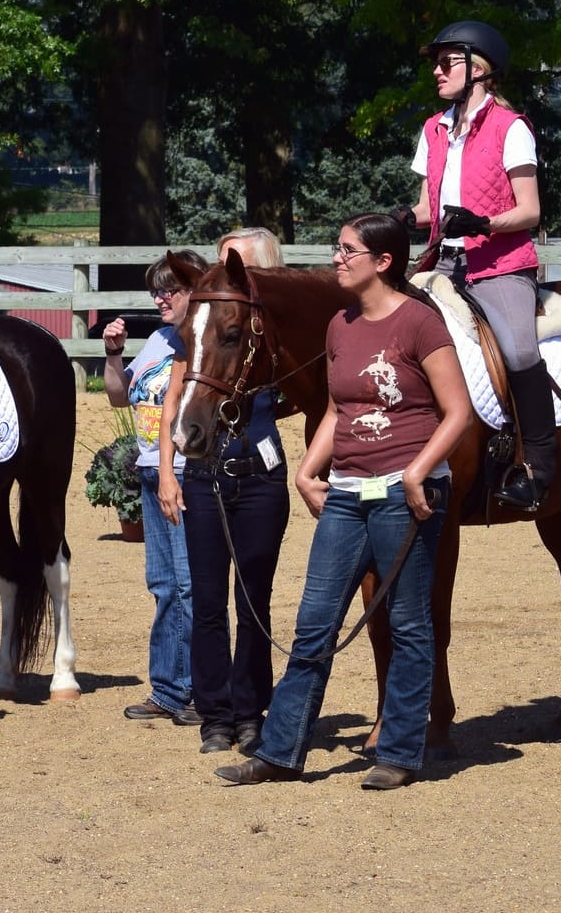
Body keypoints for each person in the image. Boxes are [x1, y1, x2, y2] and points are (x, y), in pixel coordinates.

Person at [216, 213, 473, 790]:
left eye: (348, 250)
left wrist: (420, 472)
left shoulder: (420, 324)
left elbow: (457, 411)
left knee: (408, 624)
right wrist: (309, 470)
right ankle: (281, 751)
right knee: (313, 624)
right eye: (337, 248)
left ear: (383, 262)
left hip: (407, 495)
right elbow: (338, 410)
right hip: (347, 494)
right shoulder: (340, 325)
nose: (336, 258)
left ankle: (401, 753)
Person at [400, 21, 551, 511]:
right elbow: (429, 207)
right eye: (435, 64)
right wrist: (403, 217)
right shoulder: (433, 129)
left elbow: (530, 210)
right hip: (441, 263)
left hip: (501, 265)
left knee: (517, 349)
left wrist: (484, 221)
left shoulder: (512, 129)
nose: (437, 71)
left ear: (478, 70)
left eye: (447, 62)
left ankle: (539, 465)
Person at [158, 227, 290, 756]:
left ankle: (250, 708)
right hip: (205, 474)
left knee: (254, 599)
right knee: (209, 600)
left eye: (237, 265)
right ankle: (214, 713)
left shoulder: (271, 335)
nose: (222, 271)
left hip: (260, 476)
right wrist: (167, 472)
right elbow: (174, 399)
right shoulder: (210, 327)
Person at [102, 251, 210, 729]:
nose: (160, 298)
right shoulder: (159, 341)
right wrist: (113, 355)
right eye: (156, 290)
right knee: (163, 585)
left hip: (183, 473)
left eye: (171, 289)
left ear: (194, 291)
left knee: (187, 585)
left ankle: (191, 690)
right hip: (152, 471)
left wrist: (170, 472)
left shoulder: (198, 344)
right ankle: (168, 688)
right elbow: (118, 395)